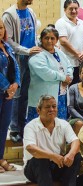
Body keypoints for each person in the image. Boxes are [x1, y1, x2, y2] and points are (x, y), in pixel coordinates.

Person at [3, 0, 41, 142]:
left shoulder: (31, 12)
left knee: (26, 94)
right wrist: (26, 50)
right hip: (18, 59)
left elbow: (33, 35)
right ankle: (14, 129)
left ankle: (22, 125)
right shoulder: (9, 15)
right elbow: (8, 40)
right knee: (16, 94)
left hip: (31, 58)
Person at [23, 95, 81, 186]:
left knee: (76, 156)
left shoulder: (63, 124)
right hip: (34, 169)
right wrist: (52, 156)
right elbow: (31, 148)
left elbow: (75, 141)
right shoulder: (30, 126)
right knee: (41, 159)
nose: (51, 109)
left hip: (57, 165)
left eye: (54, 106)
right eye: (47, 107)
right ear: (38, 110)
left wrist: (71, 154)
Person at [28, 27, 73, 121]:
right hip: (43, 98)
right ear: (41, 39)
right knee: (41, 128)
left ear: (57, 40)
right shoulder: (37, 54)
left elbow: (69, 65)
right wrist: (63, 78)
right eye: (46, 38)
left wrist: (69, 76)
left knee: (59, 126)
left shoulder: (59, 52)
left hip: (61, 96)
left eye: (52, 38)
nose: (49, 41)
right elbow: (45, 73)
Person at [0, 18, 20, 173]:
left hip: (8, 94)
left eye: (1, 27)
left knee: (3, 126)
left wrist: (16, 84)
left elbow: (16, 66)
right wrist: (8, 86)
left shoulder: (7, 46)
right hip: (3, 91)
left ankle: (1, 158)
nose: (0, 30)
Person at [55, 0, 83, 84]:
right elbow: (63, 41)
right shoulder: (61, 22)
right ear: (65, 9)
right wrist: (77, 54)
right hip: (67, 62)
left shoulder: (82, 22)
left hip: (81, 62)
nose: (74, 11)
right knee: (68, 86)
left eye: (76, 8)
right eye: (71, 9)